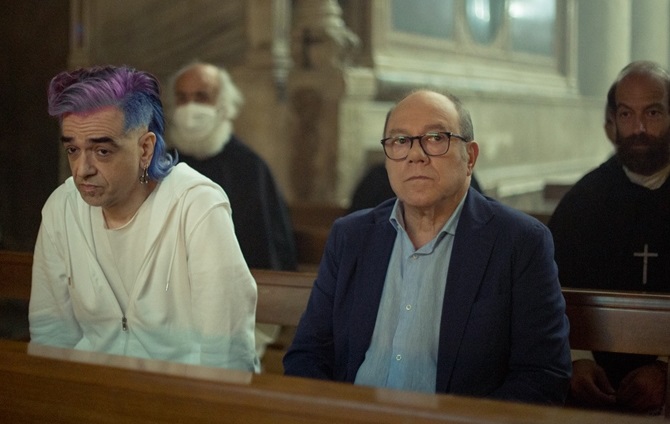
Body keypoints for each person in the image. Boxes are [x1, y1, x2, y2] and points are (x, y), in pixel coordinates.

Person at [284, 89, 572, 405]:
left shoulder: (520, 242)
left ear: (470, 157)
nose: (415, 155)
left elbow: (543, 376)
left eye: (435, 138)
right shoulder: (351, 236)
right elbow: (308, 354)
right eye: (400, 141)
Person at [29, 65, 259, 372]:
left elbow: (225, 348)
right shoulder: (62, 207)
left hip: (180, 392)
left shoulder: (196, 205)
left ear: (145, 149)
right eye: (73, 149)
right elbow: (51, 334)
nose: (82, 169)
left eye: (102, 151)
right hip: (91, 390)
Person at [548, 60, 670, 414]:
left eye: (653, 113)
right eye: (627, 114)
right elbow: (546, 291)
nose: (639, 128)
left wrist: (666, 368)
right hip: (591, 394)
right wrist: (575, 358)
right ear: (613, 121)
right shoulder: (581, 202)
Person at [166, 62, 297, 272]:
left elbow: (267, 250)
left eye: (201, 97)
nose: (190, 107)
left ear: (223, 105)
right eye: (182, 98)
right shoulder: (163, 164)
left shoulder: (250, 168)